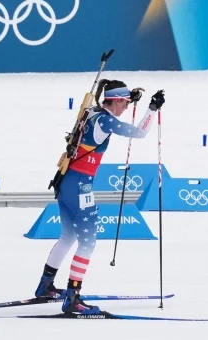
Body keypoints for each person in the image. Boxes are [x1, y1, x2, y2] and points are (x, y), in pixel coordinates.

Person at [34, 80, 164, 313]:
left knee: (68, 236)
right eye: (124, 103)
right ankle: (72, 298)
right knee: (88, 242)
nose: (126, 107)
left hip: (66, 181)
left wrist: (130, 96)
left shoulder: (92, 112)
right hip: (80, 186)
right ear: (115, 101)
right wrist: (152, 109)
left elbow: (111, 110)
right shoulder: (106, 120)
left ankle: (45, 285)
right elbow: (140, 133)